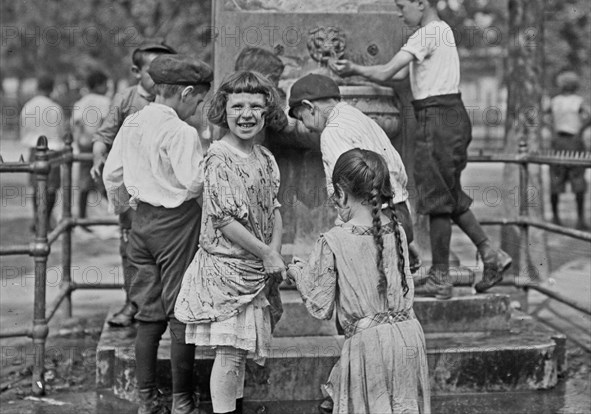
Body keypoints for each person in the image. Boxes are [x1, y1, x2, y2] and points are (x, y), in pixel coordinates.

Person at [331, 0, 511, 298]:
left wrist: (354, 69)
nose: (401, 14)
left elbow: (388, 71)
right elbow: (405, 80)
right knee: (449, 194)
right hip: (449, 115)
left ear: (420, 2)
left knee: (437, 200)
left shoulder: (425, 34)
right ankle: (490, 253)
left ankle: (442, 278)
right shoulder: (443, 32)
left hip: (437, 119)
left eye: (402, 7)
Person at [103, 54, 213, 414]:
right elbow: (193, 183)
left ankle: (145, 400)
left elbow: (112, 175)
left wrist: (125, 209)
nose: (198, 107)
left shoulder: (133, 122)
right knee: (181, 310)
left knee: (148, 314)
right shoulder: (182, 132)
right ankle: (183, 401)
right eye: (197, 99)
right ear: (184, 92)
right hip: (177, 224)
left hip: (141, 223)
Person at [175, 71, 287, 414]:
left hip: (255, 269)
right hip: (226, 271)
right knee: (228, 354)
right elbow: (224, 220)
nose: (247, 114)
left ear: (267, 111)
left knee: (238, 354)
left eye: (256, 106)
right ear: (224, 110)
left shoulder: (265, 157)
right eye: (237, 106)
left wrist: (274, 256)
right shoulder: (218, 158)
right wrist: (267, 253)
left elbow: (275, 209)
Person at [287, 148, 430, 414]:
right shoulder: (397, 231)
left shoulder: (334, 239)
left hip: (369, 347)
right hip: (409, 338)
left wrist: (297, 272)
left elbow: (321, 304)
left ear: (340, 192)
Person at [287, 73, 421, 273]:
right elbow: (398, 171)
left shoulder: (332, 132)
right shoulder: (361, 118)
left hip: (371, 227)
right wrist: (405, 238)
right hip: (398, 216)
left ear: (309, 106)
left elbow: (343, 193)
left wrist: (341, 242)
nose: (305, 125)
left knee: (362, 297)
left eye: (301, 117)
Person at [92, 42, 176, 327]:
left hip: (166, 189)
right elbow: (103, 136)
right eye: (154, 71)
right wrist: (98, 158)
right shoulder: (126, 99)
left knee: (169, 246)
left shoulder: (175, 100)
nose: (161, 77)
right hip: (132, 191)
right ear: (136, 72)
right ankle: (133, 304)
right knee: (132, 249)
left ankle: (168, 308)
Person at [19, 74, 66, 231]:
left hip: (34, 149)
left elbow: (23, 131)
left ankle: (38, 219)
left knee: (36, 186)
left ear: (37, 87)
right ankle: (45, 220)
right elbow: (61, 132)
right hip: (52, 150)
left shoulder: (28, 106)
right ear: (51, 89)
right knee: (51, 188)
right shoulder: (55, 107)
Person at [546, 71, 590, 230]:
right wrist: (581, 128)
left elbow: (544, 116)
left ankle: (556, 217)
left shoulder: (554, 101)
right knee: (577, 178)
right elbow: (589, 115)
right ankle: (579, 219)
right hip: (573, 141)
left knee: (556, 177)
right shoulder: (578, 101)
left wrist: (551, 128)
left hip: (559, 141)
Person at [71, 69, 111, 225]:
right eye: (106, 84)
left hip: (84, 144)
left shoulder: (81, 102)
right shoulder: (105, 102)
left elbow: (76, 124)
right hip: (99, 145)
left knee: (84, 182)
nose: (108, 88)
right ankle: (121, 213)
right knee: (104, 180)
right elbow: (106, 124)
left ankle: (81, 218)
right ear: (99, 85)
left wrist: (79, 140)